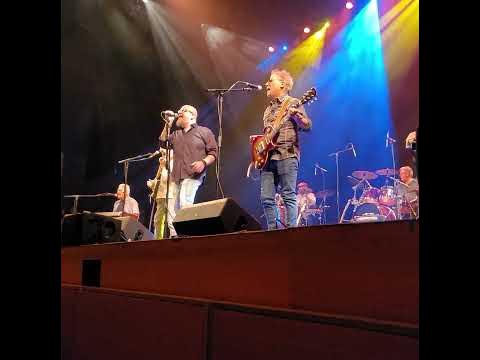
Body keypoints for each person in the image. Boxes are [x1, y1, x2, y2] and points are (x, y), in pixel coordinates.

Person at [260, 69, 312, 230]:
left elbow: (307, 125)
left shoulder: (293, 102)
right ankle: (272, 232)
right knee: (266, 198)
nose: (266, 84)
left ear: (282, 84)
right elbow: (266, 134)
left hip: (287, 154)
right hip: (268, 158)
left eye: (271, 80)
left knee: (288, 195)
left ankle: (291, 233)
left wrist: (298, 117)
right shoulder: (268, 110)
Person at [159, 105, 218, 210]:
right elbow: (163, 143)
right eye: (179, 110)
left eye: (183, 110)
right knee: (175, 211)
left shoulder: (204, 131)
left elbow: (213, 152)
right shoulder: (175, 134)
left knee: (185, 204)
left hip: (193, 175)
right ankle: (184, 226)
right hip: (176, 177)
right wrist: (168, 124)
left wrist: (203, 162)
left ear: (192, 116)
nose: (179, 112)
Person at [147, 149, 177, 239]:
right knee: (157, 219)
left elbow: (172, 178)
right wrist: (152, 183)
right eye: (162, 153)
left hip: (170, 195)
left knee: (171, 217)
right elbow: (159, 179)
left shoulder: (173, 163)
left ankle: (174, 236)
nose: (162, 155)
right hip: (160, 195)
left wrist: (166, 164)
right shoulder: (162, 166)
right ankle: (158, 239)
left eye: (164, 153)